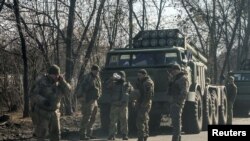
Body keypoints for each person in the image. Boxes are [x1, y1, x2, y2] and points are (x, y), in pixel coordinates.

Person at [29, 64, 71, 141]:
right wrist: (43, 101)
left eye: (58, 75)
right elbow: (33, 94)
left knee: (56, 135)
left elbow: (68, 92)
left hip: (55, 112)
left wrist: (63, 81)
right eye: (54, 75)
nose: (56, 76)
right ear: (49, 74)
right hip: (42, 112)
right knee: (41, 135)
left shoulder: (60, 82)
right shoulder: (41, 81)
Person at [76, 64, 102, 140]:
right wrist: (82, 98)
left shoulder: (97, 78)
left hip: (94, 100)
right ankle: (82, 135)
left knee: (93, 118)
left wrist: (98, 95)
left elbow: (99, 88)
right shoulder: (87, 77)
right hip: (87, 100)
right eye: (96, 71)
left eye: (98, 71)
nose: (97, 72)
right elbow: (82, 88)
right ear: (92, 70)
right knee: (86, 117)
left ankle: (89, 133)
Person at [106, 71, 133, 140]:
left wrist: (131, 99)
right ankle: (112, 135)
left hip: (123, 105)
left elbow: (132, 92)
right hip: (115, 105)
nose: (120, 77)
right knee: (113, 121)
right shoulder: (113, 84)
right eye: (119, 76)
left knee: (124, 121)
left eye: (121, 76)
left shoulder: (127, 84)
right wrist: (112, 79)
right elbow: (107, 86)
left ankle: (124, 135)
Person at [168, 63, 189, 141]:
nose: (172, 72)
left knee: (176, 122)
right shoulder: (176, 78)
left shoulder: (182, 78)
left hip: (177, 103)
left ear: (177, 70)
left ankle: (176, 139)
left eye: (173, 70)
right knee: (175, 122)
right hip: (174, 102)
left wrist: (178, 102)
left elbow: (184, 92)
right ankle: (177, 138)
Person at [133, 69, 154, 141]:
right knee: (144, 119)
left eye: (140, 75)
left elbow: (149, 95)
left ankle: (141, 137)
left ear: (144, 75)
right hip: (140, 102)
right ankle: (145, 135)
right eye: (138, 75)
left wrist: (144, 104)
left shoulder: (148, 83)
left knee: (140, 120)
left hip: (145, 103)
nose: (138, 77)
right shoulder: (139, 81)